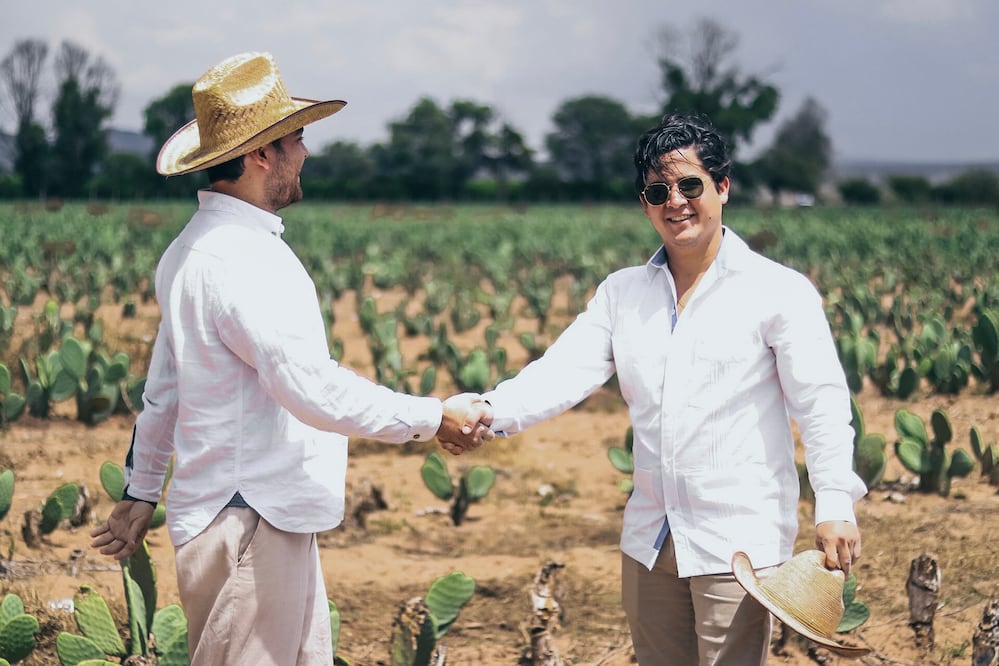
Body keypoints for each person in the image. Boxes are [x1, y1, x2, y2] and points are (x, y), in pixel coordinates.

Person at [89, 51, 491, 666]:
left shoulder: (192, 249)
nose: (305, 151)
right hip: (250, 519)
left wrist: (143, 488)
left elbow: (165, 390)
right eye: (296, 137)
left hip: (252, 514)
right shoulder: (241, 260)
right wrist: (434, 417)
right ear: (261, 154)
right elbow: (309, 387)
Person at [472, 112, 867, 664]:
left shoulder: (778, 291)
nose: (675, 202)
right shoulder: (622, 293)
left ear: (722, 187)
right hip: (650, 540)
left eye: (690, 186)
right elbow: (560, 372)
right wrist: (487, 410)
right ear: (645, 204)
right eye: (658, 191)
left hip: (737, 543)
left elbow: (821, 404)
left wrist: (834, 502)